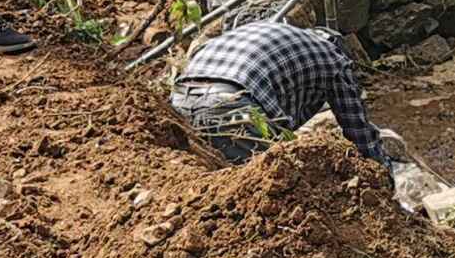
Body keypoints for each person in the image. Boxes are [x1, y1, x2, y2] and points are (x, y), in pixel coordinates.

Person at [169, 17, 397, 167]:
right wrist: (383, 174)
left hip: (179, 98)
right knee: (271, 183)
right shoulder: (333, 59)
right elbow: (359, 134)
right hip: (230, 104)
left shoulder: (274, 32)